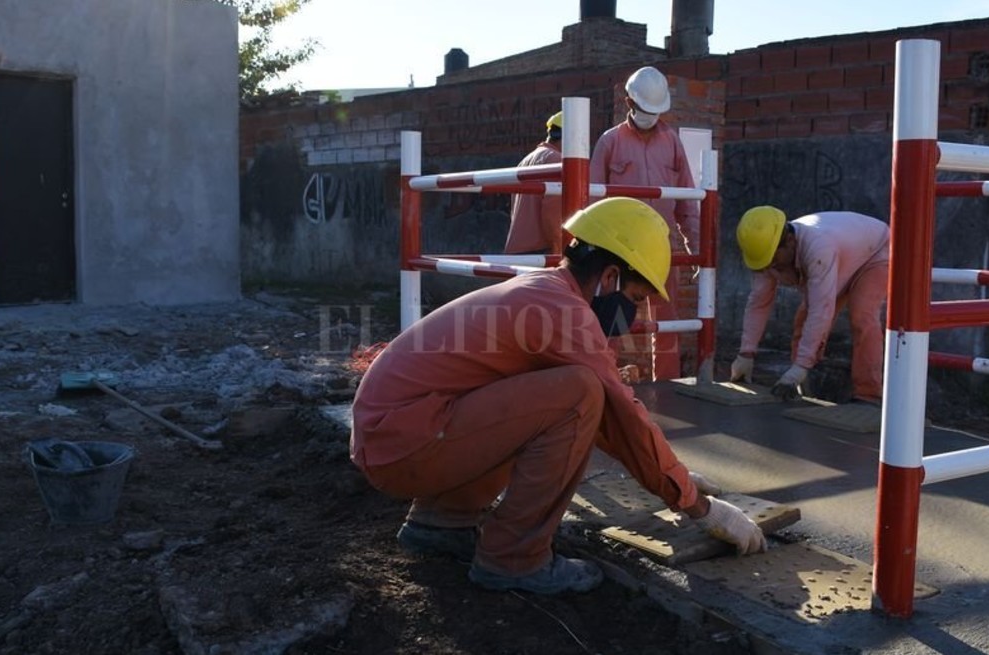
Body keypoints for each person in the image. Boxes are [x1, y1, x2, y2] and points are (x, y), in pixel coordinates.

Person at [350, 197, 766, 596]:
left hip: (397, 434)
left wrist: (673, 477)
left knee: (577, 396)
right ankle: (514, 558)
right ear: (610, 278)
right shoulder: (566, 313)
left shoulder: (547, 292)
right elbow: (619, 412)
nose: (634, 312)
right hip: (402, 446)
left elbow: (599, 424)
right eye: (637, 298)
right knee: (582, 390)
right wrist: (700, 508)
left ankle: (441, 523)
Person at [589, 66, 699, 381]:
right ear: (629, 103)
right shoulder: (610, 142)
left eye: (656, 110)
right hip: (620, 250)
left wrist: (696, 250)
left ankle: (666, 384)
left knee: (666, 324)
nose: (651, 116)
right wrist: (597, 254)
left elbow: (687, 202)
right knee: (611, 320)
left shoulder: (673, 143)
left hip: (661, 248)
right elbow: (593, 202)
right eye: (645, 109)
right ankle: (605, 382)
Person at [729, 206, 891, 404]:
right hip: (847, 251)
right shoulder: (766, 254)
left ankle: (869, 395)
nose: (771, 267)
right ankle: (799, 388)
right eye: (765, 263)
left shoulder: (818, 248)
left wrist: (801, 366)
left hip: (876, 252)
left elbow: (820, 310)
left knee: (862, 317)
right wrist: (746, 353)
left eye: (773, 260)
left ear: (789, 241)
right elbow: (758, 303)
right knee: (803, 320)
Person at [504, 111, 563, 254]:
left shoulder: (525, 160)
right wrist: (558, 250)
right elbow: (552, 214)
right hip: (541, 250)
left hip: (516, 249)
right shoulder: (557, 161)